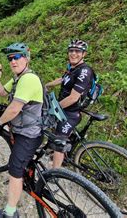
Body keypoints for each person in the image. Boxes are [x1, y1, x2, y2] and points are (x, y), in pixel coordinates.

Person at [0, 42, 44, 218]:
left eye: (17, 57)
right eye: (10, 58)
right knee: (21, 163)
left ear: (26, 58)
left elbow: (14, 109)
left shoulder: (29, 79)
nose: (13, 61)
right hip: (23, 130)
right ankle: (24, 178)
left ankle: (10, 212)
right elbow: (1, 93)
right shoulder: (17, 78)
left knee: (14, 169)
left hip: (29, 134)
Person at [44, 39, 95, 168]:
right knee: (56, 130)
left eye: (78, 51)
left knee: (59, 142)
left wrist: (54, 108)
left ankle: (55, 173)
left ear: (84, 54)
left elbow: (73, 98)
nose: (73, 54)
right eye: (71, 51)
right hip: (64, 110)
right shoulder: (72, 68)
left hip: (71, 113)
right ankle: (64, 157)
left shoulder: (84, 71)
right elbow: (62, 79)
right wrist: (46, 85)